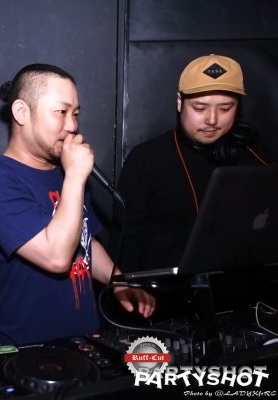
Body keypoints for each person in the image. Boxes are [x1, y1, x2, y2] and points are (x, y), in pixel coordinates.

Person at [0, 63, 156, 347]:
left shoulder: (65, 173)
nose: (72, 126)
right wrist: (76, 177)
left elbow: (85, 241)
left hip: (83, 344)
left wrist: (118, 280)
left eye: (75, 114)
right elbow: (56, 258)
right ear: (21, 112)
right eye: (61, 112)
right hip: (25, 351)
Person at [114, 54, 272, 316]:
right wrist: (132, 290)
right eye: (200, 108)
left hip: (240, 306)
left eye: (225, 108)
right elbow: (126, 242)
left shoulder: (255, 155)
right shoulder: (146, 160)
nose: (212, 119)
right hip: (165, 308)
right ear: (180, 102)